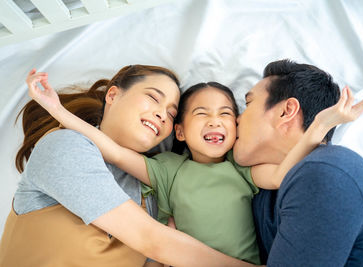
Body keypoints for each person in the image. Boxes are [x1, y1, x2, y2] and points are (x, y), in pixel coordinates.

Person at [25, 66, 363, 265]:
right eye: (199, 114)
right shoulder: (166, 169)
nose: (216, 122)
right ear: (180, 132)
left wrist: (320, 126)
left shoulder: (242, 171)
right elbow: (114, 152)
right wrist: (59, 112)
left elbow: (286, 174)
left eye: (228, 113)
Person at [0, 65, 263, 267]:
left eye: (171, 113)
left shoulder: (155, 191)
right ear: (113, 95)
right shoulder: (64, 146)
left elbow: (159, 251)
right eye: (153, 97)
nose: (162, 113)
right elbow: (152, 240)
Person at [233, 59, 363, 266]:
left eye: (247, 104)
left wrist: (182, 249)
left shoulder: (327, 173)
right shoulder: (260, 189)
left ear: (286, 111)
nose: (235, 119)